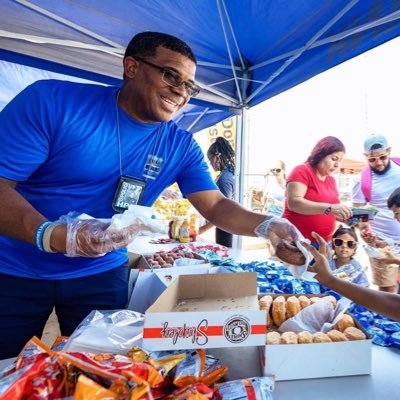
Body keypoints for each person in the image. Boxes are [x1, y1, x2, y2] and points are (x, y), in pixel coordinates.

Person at [0, 31, 298, 358]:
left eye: (189, 85)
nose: (181, 92)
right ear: (131, 66)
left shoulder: (180, 145)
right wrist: (52, 235)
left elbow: (215, 205)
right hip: (13, 267)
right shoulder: (53, 102)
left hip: (100, 273)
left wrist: (268, 225)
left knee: (99, 374)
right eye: (171, 76)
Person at [302, 231, 400, 322]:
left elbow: (367, 291)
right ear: (333, 245)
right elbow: (391, 303)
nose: (344, 247)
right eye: (339, 242)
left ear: (355, 248)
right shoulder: (326, 262)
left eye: (350, 244)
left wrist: (330, 280)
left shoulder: (357, 267)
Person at [352, 134, 400, 293]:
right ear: (366, 157)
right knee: (387, 292)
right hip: (381, 242)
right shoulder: (362, 179)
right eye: (372, 160)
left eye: (382, 157)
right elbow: (359, 213)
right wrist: (365, 230)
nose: (378, 163)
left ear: (389, 151)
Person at [282, 136, 352, 243]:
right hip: (298, 242)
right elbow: (294, 203)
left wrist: (346, 216)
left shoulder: (331, 180)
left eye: (340, 160)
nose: (337, 164)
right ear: (320, 155)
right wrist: (330, 208)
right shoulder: (302, 171)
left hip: (324, 243)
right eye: (334, 159)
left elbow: (331, 211)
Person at [199, 137, 235, 247]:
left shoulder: (224, 178)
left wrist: (202, 230)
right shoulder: (228, 174)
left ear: (217, 157)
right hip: (225, 225)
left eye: (210, 160)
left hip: (226, 226)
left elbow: (224, 210)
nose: (210, 164)